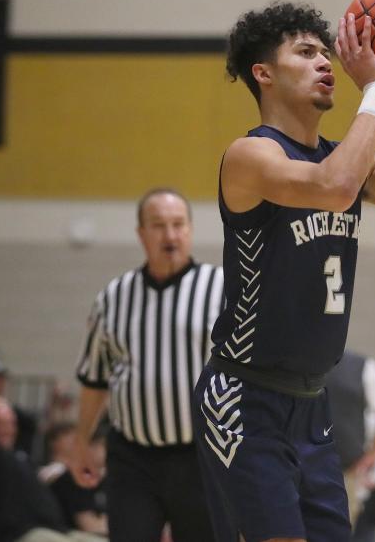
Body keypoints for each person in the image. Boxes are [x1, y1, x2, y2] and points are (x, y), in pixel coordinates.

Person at [191, 1, 375, 542]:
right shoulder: (251, 156)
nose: (326, 62)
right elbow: (333, 188)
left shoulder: (349, 161)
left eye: (327, 51)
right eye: (306, 52)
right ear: (264, 74)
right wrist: (374, 88)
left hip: (311, 403)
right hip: (245, 396)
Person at [72, 187, 224, 542]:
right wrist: (82, 440)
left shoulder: (221, 289)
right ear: (141, 233)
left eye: (178, 224)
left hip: (203, 457)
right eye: (158, 226)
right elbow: (95, 379)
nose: (170, 235)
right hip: (133, 459)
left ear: (190, 229)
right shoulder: (113, 297)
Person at [0, 396, 103, 542]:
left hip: (56, 529)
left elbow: (29, 424)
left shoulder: (21, 453)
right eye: (0, 424)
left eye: (11, 424)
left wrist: (6, 405)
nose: (7, 429)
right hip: (22, 533)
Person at [326, 349, 375, 528]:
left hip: (345, 473)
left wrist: (373, 456)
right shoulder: (294, 359)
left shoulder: (359, 366)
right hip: (295, 470)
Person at [51, 433, 108, 537]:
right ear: (89, 448)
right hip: (67, 535)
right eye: (103, 445)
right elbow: (90, 526)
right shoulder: (73, 479)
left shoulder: (103, 479)